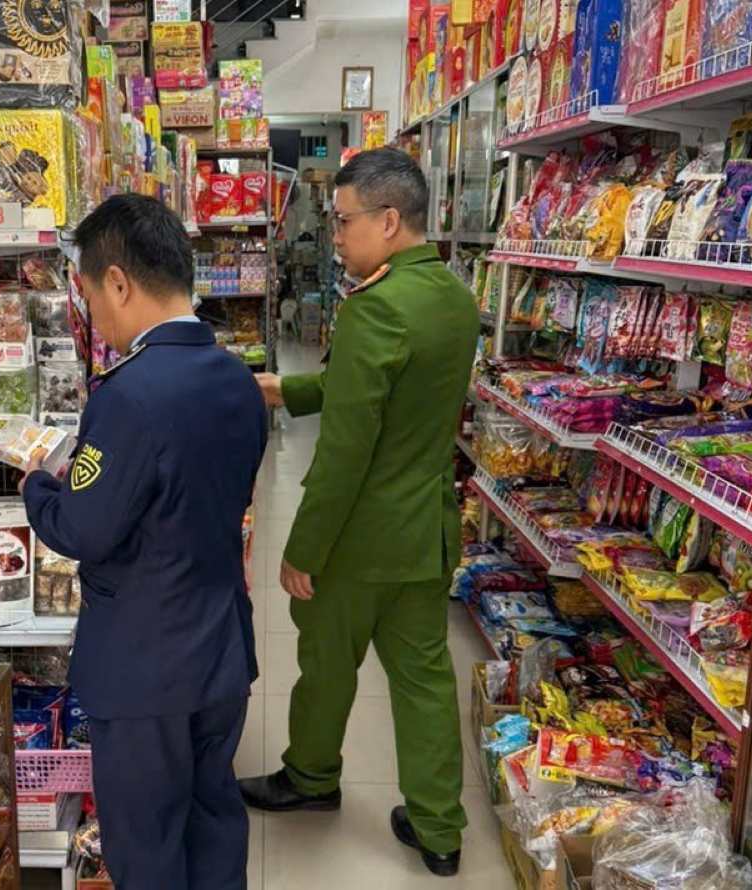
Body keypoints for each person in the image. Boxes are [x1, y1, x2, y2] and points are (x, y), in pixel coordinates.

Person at [237, 147, 479, 878]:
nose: (335, 235)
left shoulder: (376, 310)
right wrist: (289, 390)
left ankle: (311, 778)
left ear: (389, 218)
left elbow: (345, 453)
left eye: (343, 222)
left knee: (327, 665)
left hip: (356, 541)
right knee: (424, 680)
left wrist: (302, 550)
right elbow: (384, 397)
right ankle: (439, 830)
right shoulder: (452, 296)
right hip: (425, 536)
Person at [21, 194, 268, 890]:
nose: (92, 312)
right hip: (220, 649)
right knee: (214, 816)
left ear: (120, 281)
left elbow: (83, 528)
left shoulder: (127, 395)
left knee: (146, 841)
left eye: (91, 292)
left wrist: (40, 484)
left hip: (143, 663)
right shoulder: (237, 380)